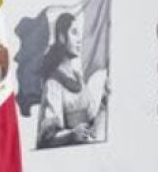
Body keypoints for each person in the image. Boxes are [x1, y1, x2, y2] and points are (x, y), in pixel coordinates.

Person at [36, 11, 108, 148]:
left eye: (79, 34)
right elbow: (47, 138)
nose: (79, 40)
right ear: (62, 37)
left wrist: (104, 103)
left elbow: (92, 127)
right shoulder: (53, 84)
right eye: (74, 33)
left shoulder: (78, 79)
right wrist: (71, 135)